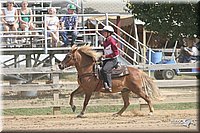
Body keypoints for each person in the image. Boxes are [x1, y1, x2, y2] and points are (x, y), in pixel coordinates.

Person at [101, 25, 119, 92]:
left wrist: (106, 56)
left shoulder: (112, 41)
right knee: (99, 69)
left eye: (105, 32)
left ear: (109, 33)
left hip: (113, 60)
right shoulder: (105, 41)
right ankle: (104, 83)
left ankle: (109, 86)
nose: (103, 33)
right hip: (107, 59)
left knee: (105, 69)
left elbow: (116, 53)